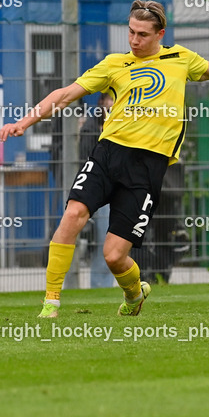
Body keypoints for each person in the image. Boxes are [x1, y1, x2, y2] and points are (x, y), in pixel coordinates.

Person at [0, 0, 209, 318]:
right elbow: (65, 94)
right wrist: (24, 121)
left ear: (160, 34)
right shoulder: (114, 64)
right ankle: (51, 301)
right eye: (131, 32)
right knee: (74, 214)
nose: (134, 40)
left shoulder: (180, 58)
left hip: (148, 167)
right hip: (109, 153)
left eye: (143, 34)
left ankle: (134, 293)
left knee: (114, 256)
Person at [78, 91, 115, 288]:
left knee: (107, 242)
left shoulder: (122, 125)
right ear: (100, 102)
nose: (109, 104)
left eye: (113, 100)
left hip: (113, 191)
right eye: (106, 99)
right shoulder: (90, 128)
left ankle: (102, 286)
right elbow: (85, 158)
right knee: (87, 240)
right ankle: (71, 285)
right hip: (94, 190)